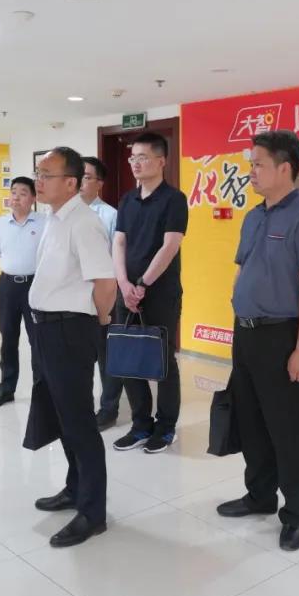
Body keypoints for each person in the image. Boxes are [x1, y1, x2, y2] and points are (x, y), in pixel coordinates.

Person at [215, 131, 299, 552]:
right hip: (246, 333)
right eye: (251, 164)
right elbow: (243, 267)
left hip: (282, 336)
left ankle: (296, 513)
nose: (252, 172)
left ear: (284, 168)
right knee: (251, 421)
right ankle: (259, 495)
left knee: (288, 429)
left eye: (258, 164)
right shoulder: (254, 216)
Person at [28, 147, 117, 547]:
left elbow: (105, 283)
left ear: (70, 182)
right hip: (47, 329)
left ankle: (93, 513)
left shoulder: (83, 223)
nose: (38, 181)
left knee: (79, 422)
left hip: (70, 330)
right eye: (37, 173)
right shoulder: (54, 218)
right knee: (62, 416)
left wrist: (97, 322)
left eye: (45, 174)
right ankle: (74, 487)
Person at [110, 132, 189, 454]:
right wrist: (124, 283)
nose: (136, 163)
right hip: (127, 291)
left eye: (142, 157)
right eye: (133, 158)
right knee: (128, 356)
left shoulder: (174, 199)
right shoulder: (128, 200)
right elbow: (119, 242)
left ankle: (166, 427)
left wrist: (142, 284)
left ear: (161, 161)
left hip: (160, 293)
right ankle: (140, 425)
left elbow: (170, 246)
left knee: (162, 360)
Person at [0, 177, 46, 409]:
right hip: (8, 286)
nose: (16, 197)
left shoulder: (44, 222)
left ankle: (42, 390)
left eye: (22, 193)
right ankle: (6, 389)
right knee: (8, 339)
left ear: (33, 198)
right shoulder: (1, 223)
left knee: (37, 340)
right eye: (13, 192)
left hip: (34, 286)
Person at [80, 156, 122, 431]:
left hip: (101, 294)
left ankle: (108, 409)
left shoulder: (109, 215)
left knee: (106, 355)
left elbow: (115, 259)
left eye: (86, 177)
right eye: (78, 176)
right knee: (79, 356)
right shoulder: (63, 215)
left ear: (99, 183)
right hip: (73, 296)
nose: (80, 182)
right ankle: (81, 405)